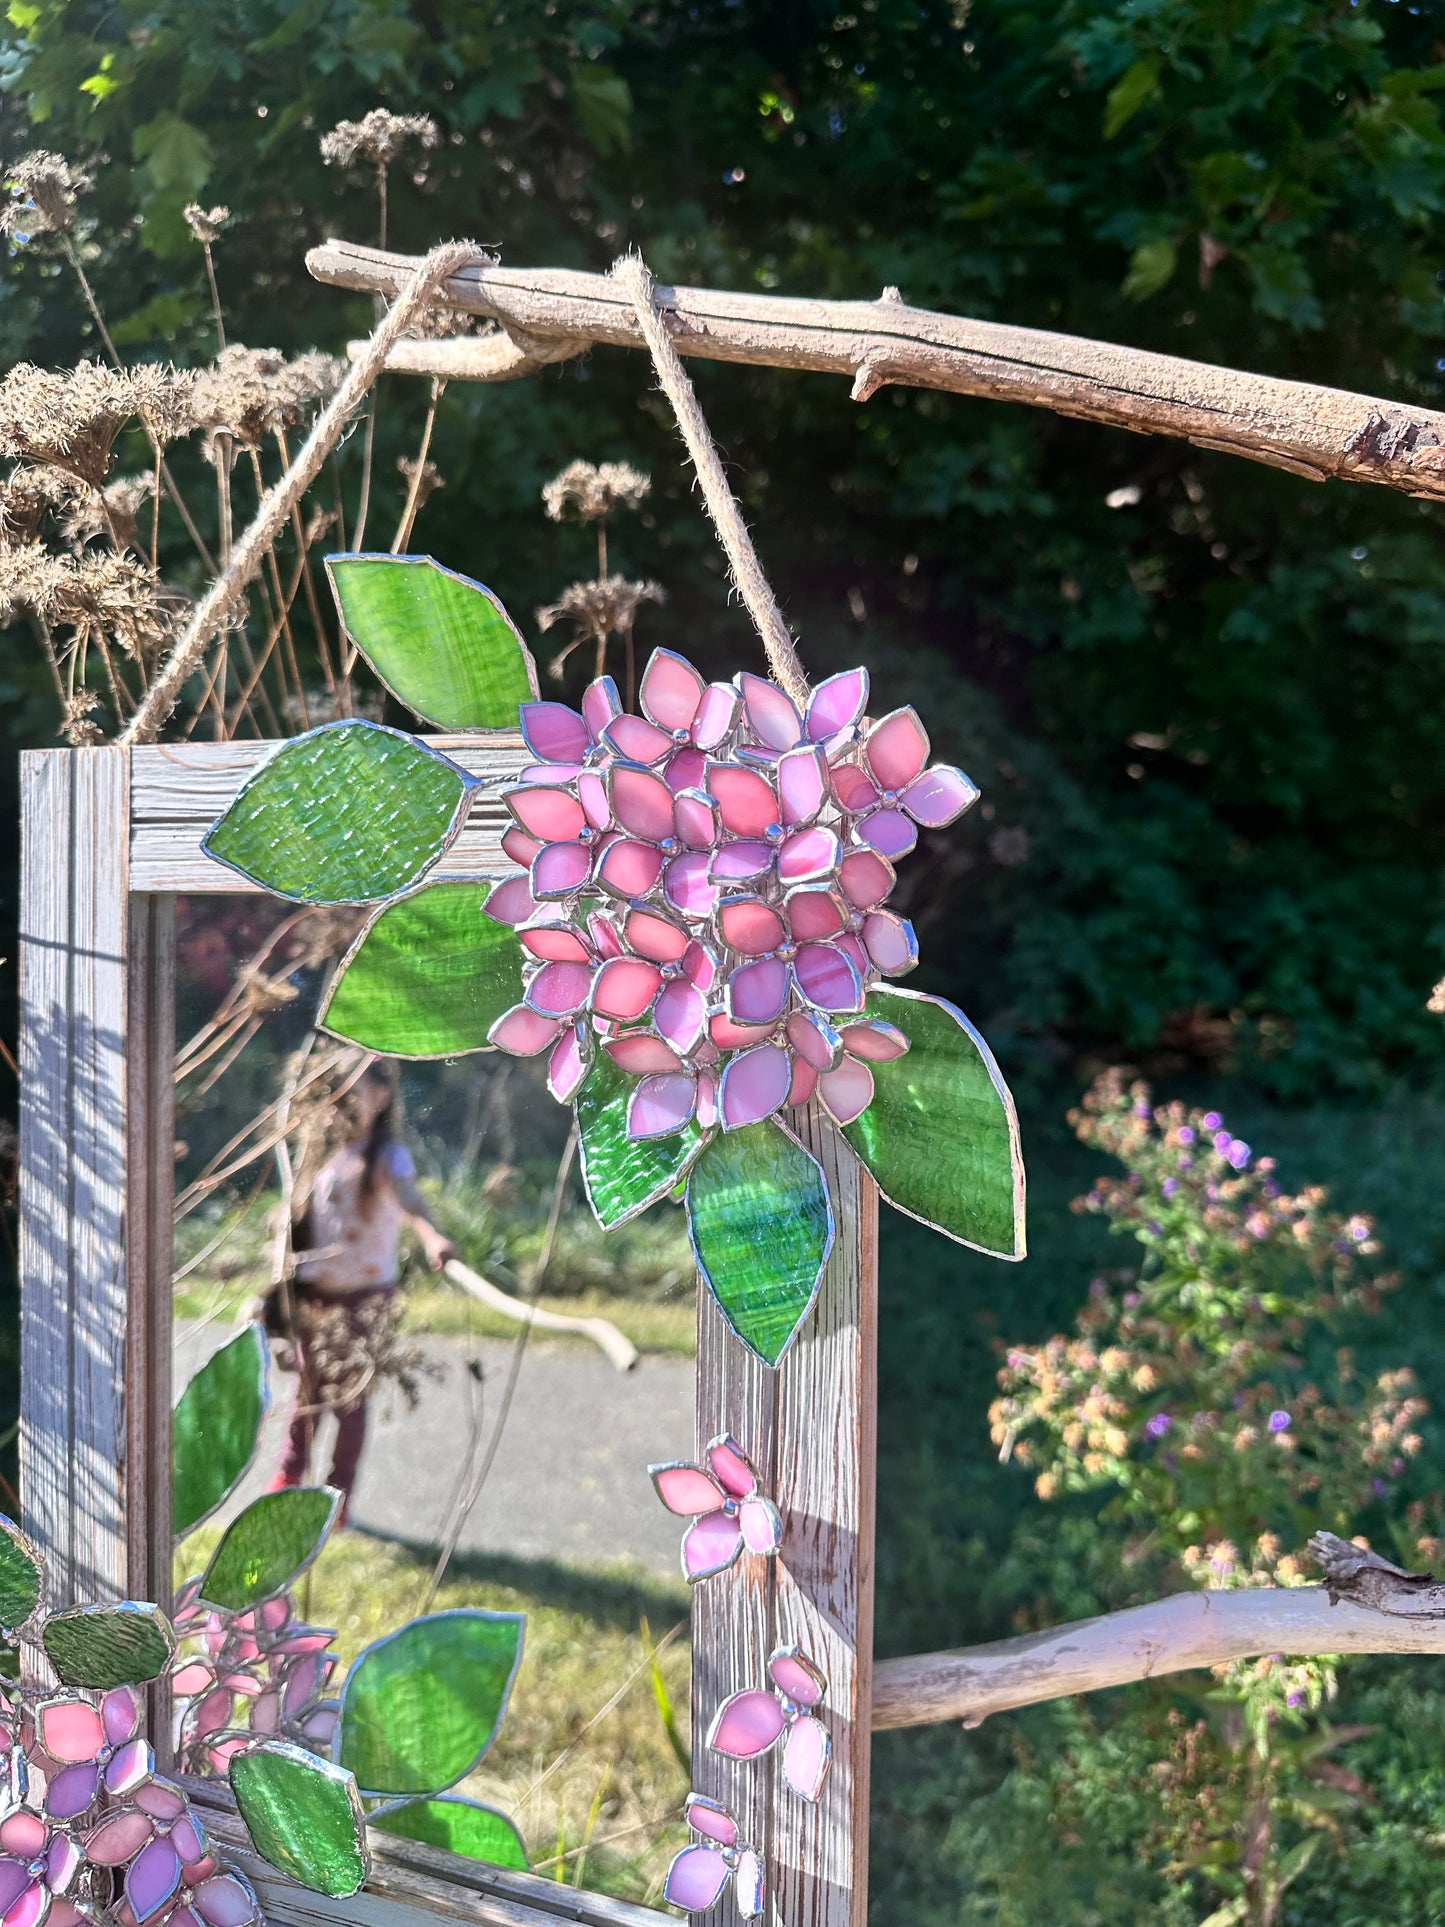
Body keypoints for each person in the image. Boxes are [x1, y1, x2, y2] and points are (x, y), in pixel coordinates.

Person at [270, 1066, 455, 1522]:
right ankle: (287, 1484)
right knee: (307, 1395)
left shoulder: (387, 1158)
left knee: (350, 1401)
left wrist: (433, 1238)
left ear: (383, 1096)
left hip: (365, 1299)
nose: (348, 1101)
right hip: (317, 1295)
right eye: (340, 1092)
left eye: (359, 1090)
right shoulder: (323, 1157)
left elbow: (411, 1200)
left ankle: (336, 1501)